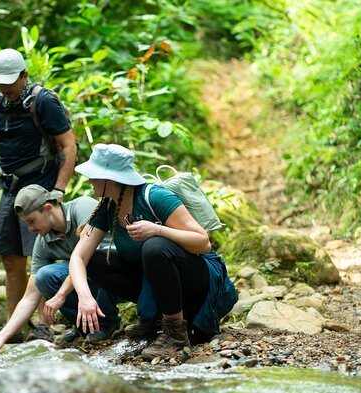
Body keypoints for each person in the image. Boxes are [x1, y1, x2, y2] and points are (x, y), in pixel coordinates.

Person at [68, 143, 238, 360]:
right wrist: (85, 297)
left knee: (154, 246)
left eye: (93, 176)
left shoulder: (154, 196)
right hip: (160, 281)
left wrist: (157, 230)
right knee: (96, 260)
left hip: (199, 279)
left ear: (109, 179)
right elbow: (78, 257)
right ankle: (155, 321)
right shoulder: (108, 207)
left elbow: (203, 242)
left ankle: (174, 332)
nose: (89, 181)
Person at [0, 48, 77, 335]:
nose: (5, 88)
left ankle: (44, 325)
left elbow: (69, 145)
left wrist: (58, 191)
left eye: (10, 81)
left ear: (25, 75)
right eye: (0, 83)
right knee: (11, 257)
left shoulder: (43, 102)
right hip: (9, 189)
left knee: (41, 257)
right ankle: (12, 328)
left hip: (40, 190)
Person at [0, 184, 120, 354]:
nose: (30, 229)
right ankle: (87, 325)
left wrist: (60, 295)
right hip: (89, 281)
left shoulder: (82, 207)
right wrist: (2, 337)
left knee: (97, 260)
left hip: (120, 274)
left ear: (47, 208)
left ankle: (106, 321)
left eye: (31, 221)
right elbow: (30, 297)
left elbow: (89, 257)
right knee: (44, 277)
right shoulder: (43, 241)